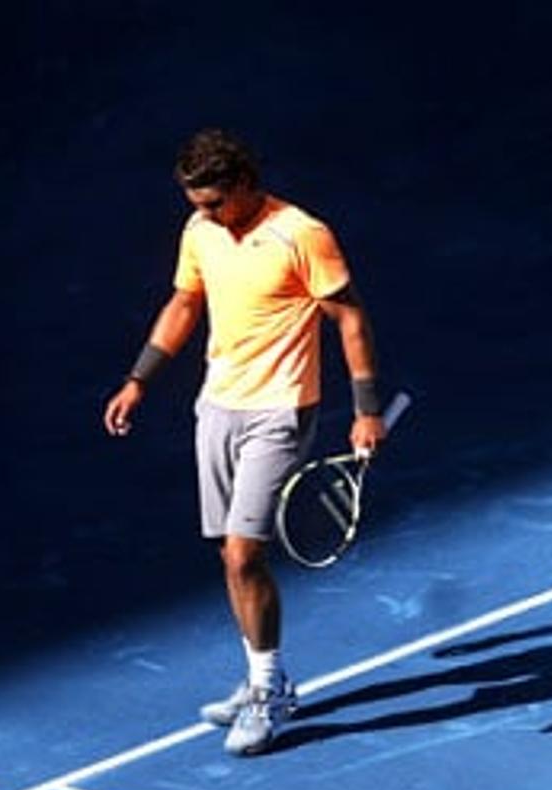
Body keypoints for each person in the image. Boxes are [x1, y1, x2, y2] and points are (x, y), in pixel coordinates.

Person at [103, 128, 388, 755]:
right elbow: (184, 304)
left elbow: (351, 319)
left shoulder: (302, 233)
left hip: (281, 409)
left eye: (212, 202)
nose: (202, 215)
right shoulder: (201, 232)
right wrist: (138, 381)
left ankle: (269, 694)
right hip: (218, 406)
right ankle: (261, 673)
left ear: (244, 185)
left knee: (241, 555)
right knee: (231, 555)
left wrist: (366, 410)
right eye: (194, 203)